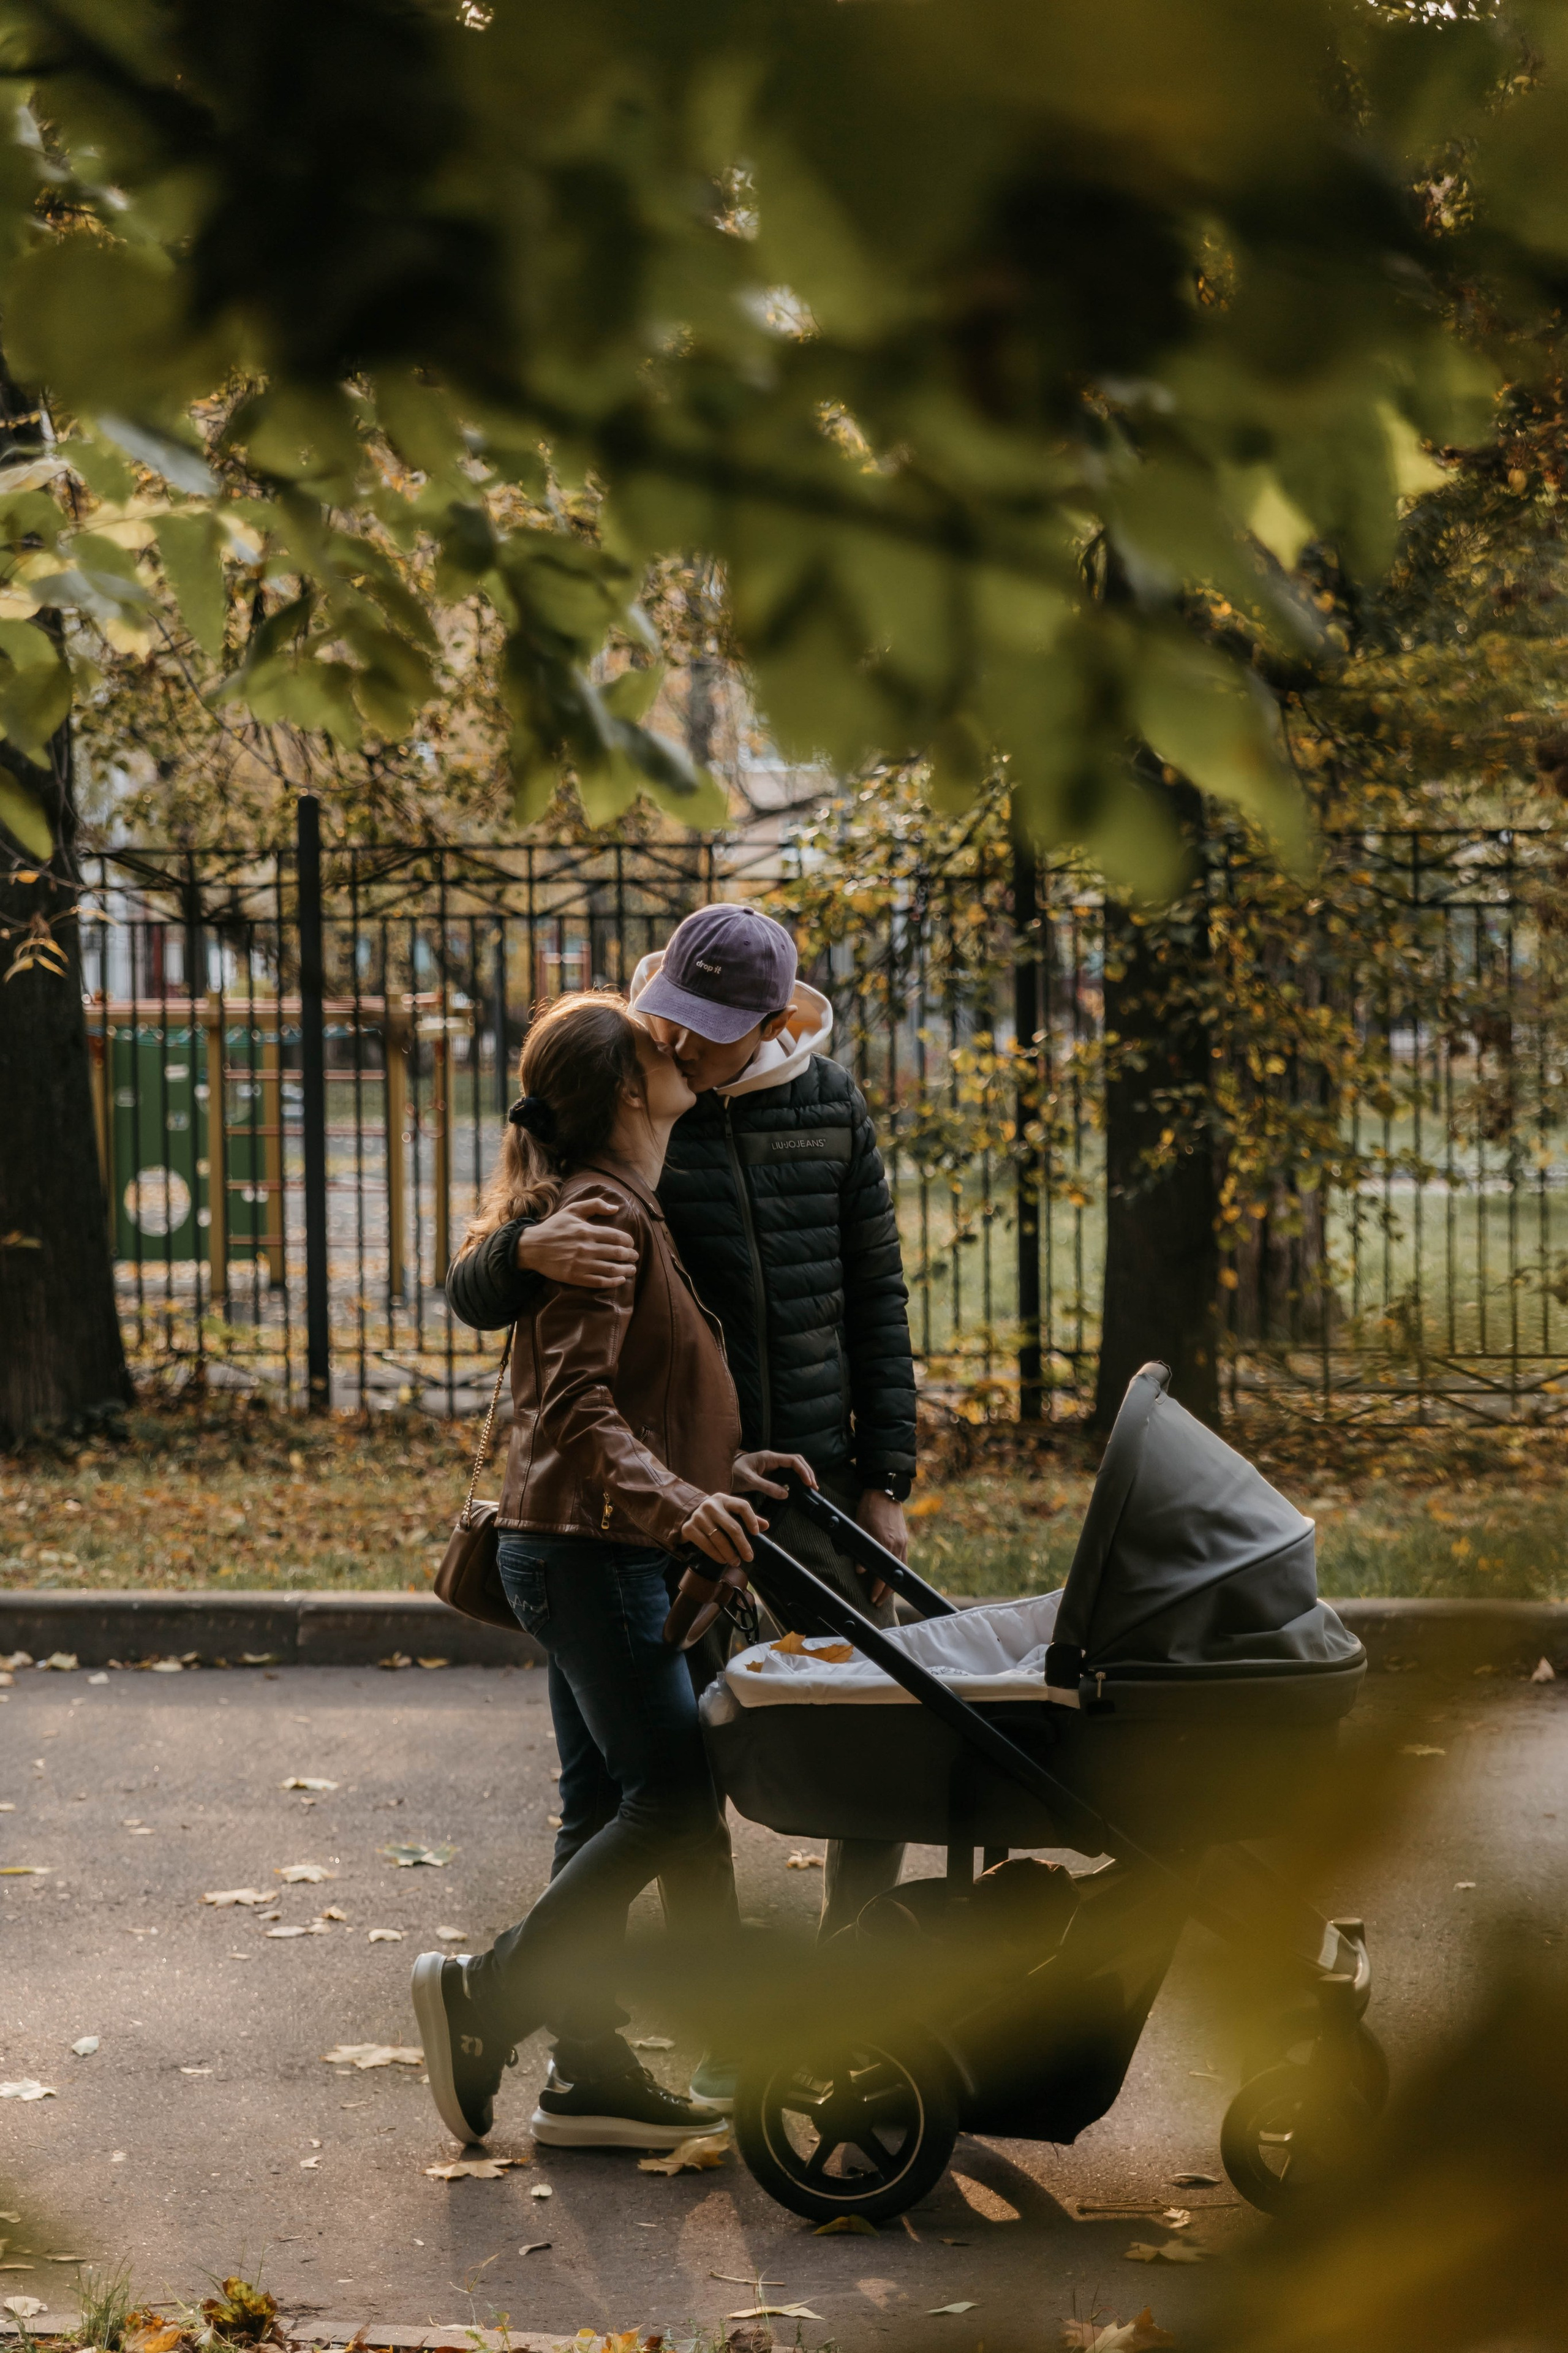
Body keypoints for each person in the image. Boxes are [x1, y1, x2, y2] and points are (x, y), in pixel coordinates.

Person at [448, 904, 919, 2079]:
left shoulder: (827, 1105)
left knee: (873, 1743)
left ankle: (841, 2009)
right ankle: (717, 2040)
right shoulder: (634, 1091)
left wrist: (886, 1477)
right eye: (675, 1019)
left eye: (715, 1028)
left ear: (777, 1022)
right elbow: (506, 1294)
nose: (687, 1044)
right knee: (667, 1792)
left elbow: (878, 1295)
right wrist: (523, 1250)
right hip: (658, 1505)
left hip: (792, 1478)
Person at [413, 991, 815, 2151]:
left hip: (589, 1545)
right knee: (672, 1801)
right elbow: (577, 1409)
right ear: (631, 1089)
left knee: (604, 1805)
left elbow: (631, 1396)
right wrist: (685, 1505)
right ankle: (486, 1995)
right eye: (653, 1044)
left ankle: (585, 2073)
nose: (675, 1045)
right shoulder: (602, 1211)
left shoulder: (620, 1202)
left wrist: (725, 1469)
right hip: (595, 1555)